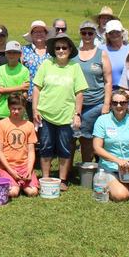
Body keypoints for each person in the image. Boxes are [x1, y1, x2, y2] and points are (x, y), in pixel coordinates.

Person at [32, 32, 87, 189]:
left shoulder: (75, 67)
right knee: (45, 146)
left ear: (70, 49)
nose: (61, 50)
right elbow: (36, 88)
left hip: (66, 115)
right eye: (57, 48)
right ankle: (46, 178)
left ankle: (62, 179)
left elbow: (79, 93)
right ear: (53, 50)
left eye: (64, 47)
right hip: (45, 114)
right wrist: (35, 109)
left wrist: (77, 114)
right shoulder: (46, 64)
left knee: (65, 147)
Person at [92, 94, 129, 202]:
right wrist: (117, 160)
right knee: (121, 196)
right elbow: (97, 148)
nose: (118, 106)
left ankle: (123, 184)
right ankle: (101, 180)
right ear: (111, 105)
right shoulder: (102, 120)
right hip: (110, 167)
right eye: (115, 103)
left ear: (127, 104)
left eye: (122, 103)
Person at [75, 21, 112, 164]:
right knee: (74, 136)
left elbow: (108, 81)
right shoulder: (74, 54)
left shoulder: (101, 54)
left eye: (90, 33)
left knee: (89, 136)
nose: (87, 36)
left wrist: (106, 104)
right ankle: (77, 168)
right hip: (76, 103)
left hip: (96, 102)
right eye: (84, 33)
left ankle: (89, 166)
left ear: (95, 34)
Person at [0, 92, 39, 198]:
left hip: (24, 166)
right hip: (7, 167)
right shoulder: (1, 124)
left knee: (33, 192)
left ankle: (23, 183)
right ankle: (15, 184)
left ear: (24, 108)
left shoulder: (29, 125)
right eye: (13, 108)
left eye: (19, 109)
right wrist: (11, 171)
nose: (16, 111)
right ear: (9, 107)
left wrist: (29, 169)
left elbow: (31, 151)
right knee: (13, 192)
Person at [0, 40, 30, 118]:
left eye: (15, 52)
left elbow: (25, 92)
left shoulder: (25, 70)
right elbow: (1, 90)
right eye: (9, 52)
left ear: (20, 54)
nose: (12, 55)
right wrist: (20, 87)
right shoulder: (1, 69)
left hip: (18, 111)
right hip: (2, 110)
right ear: (5, 54)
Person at [20, 20, 49, 99]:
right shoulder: (24, 50)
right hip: (29, 95)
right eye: (36, 32)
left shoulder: (52, 51)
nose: (39, 34)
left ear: (46, 34)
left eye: (41, 31)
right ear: (31, 35)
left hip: (48, 96)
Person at [102, 20, 129, 89]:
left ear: (122, 32)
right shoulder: (101, 49)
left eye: (117, 32)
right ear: (107, 35)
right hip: (108, 89)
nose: (114, 34)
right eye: (111, 33)